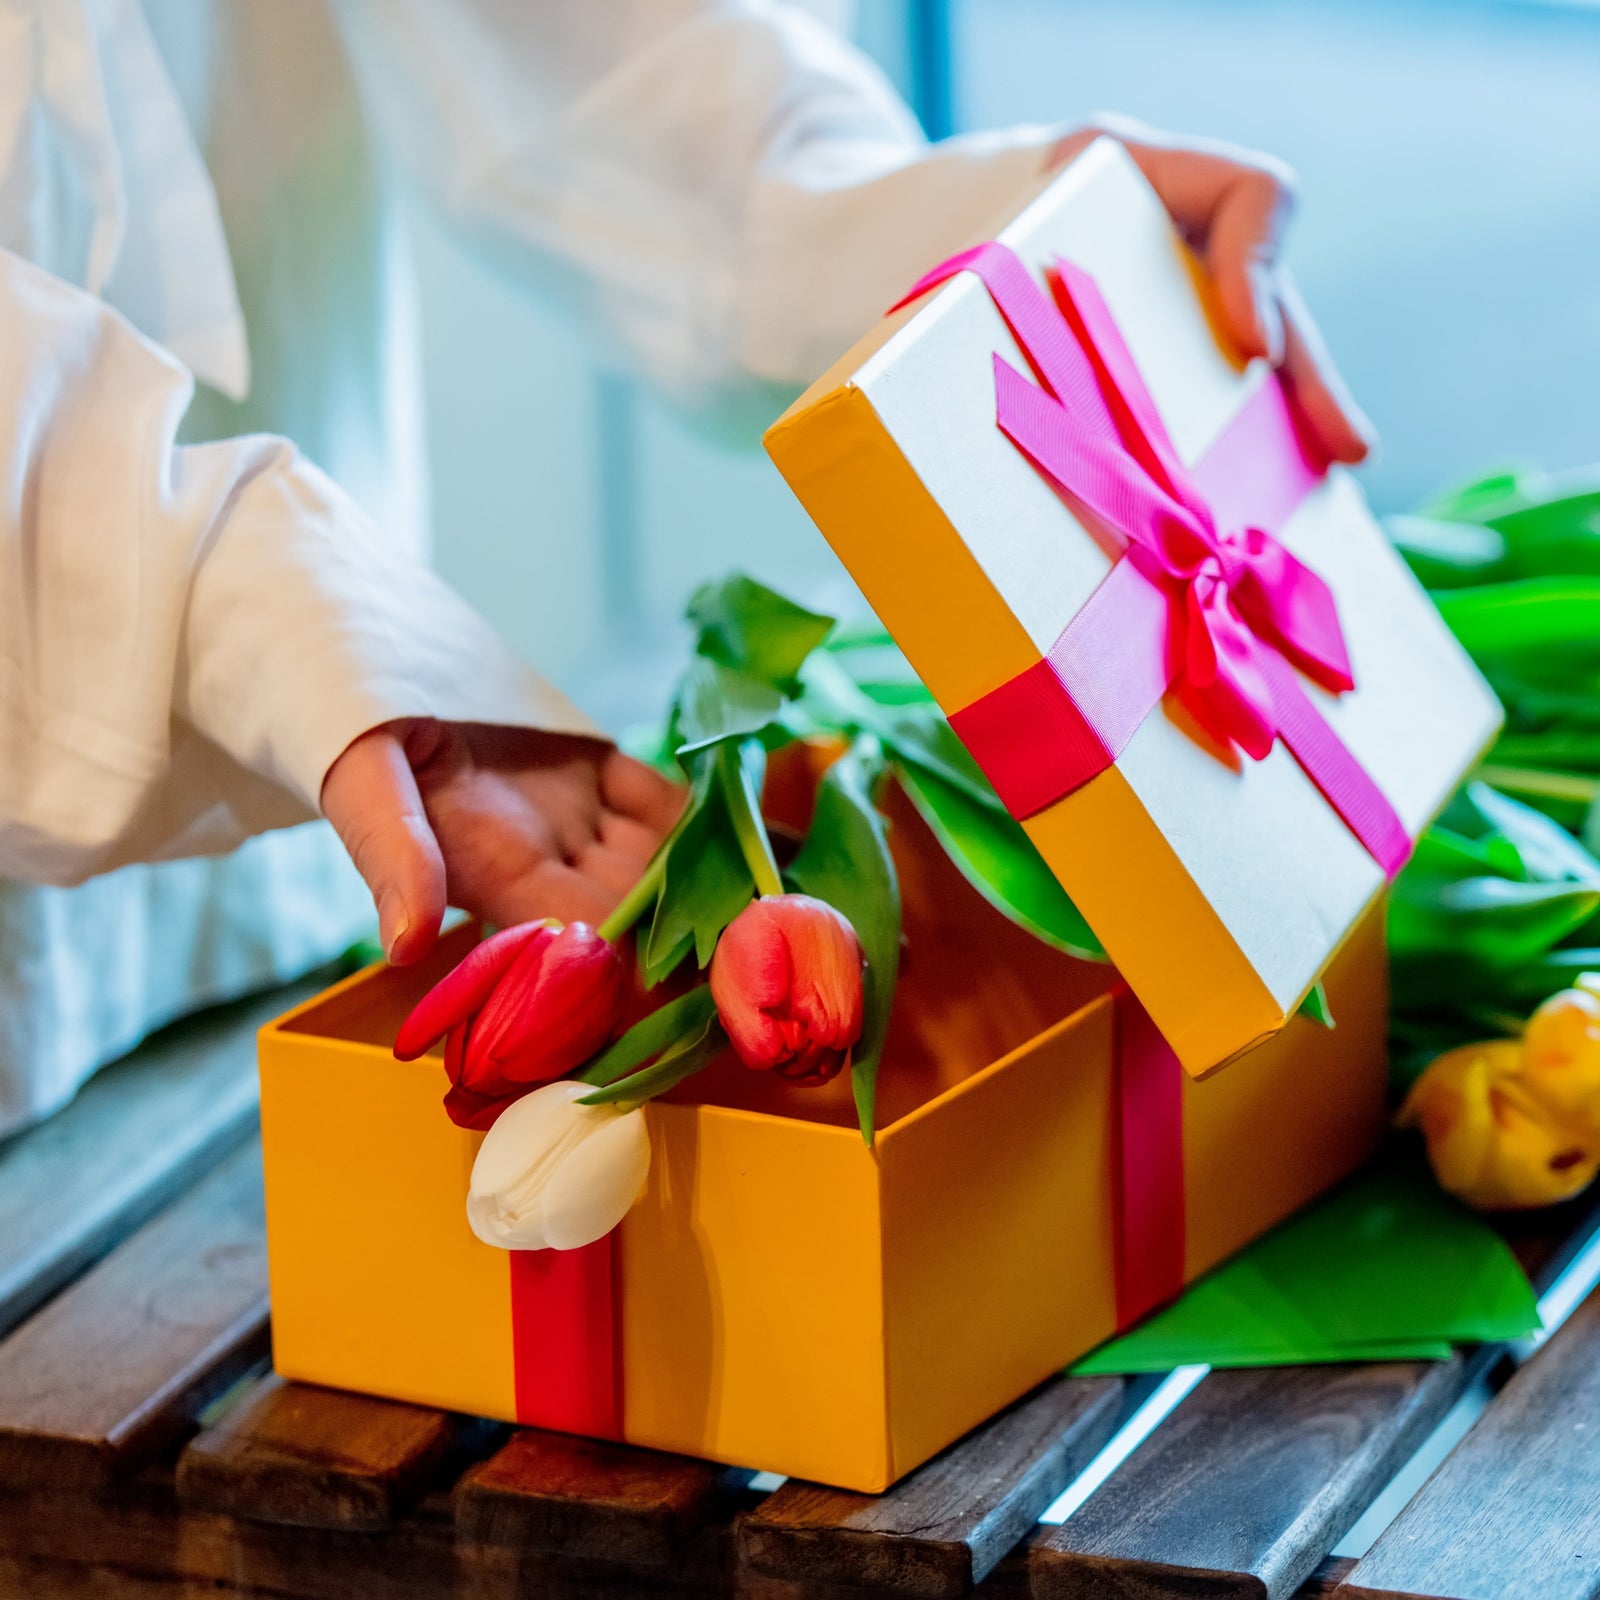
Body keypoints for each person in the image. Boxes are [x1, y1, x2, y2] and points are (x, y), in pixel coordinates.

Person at [0, 1, 1371, 1134]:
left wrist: (982, 253)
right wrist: (252, 613)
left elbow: (590, 58)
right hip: (331, 768)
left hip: (328, 849)